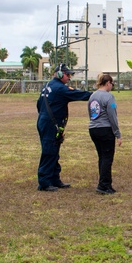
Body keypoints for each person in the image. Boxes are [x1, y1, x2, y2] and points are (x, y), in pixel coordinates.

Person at [37, 63, 91, 191]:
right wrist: (95, 94)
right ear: (60, 74)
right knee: (49, 151)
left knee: (54, 151)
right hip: (50, 123)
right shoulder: (60, 88)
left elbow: (39, 105)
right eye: (67, 74)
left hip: (45, 121)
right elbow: (79, 95)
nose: (69, 77)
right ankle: (44, 182)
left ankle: (54, 179)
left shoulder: (47, 86)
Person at [87, 72, 122, 194]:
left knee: (102, 157)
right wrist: (117, 133)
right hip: (105, 129)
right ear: (108, 83)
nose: (112, 86)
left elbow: (91, 113)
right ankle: (104, 185)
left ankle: (106, 183)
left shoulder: (92, 96)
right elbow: (112, 115)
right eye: (112, 84)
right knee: (107, 158)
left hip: (94, 129)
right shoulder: (109, 97)